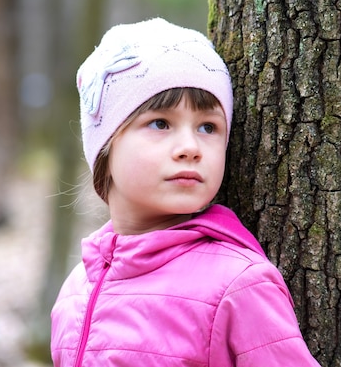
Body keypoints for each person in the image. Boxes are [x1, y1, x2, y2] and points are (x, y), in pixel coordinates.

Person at [50, 18, 321, 367]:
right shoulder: (76, 290)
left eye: (208, 127)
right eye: (160, 123)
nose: (190, 147)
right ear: (106, 145)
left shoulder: (238, 287)